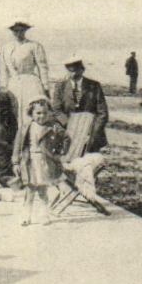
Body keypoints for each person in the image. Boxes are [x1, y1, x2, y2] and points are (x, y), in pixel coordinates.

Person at [52, 55, 111, 215]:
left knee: (88, 165)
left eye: (76, 69)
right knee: (65, 164)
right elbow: (56, 110)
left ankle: (87, 192)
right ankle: (73, 190)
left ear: (81, 69)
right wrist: (71, 127)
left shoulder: (94, 86)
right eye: (69, 70)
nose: (73, 73)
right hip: (68, 137)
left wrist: (91, 132)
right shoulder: (60, 86)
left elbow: (102, 113)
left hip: (91, 137)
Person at [12, 97, 65, 225]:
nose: (42, 116)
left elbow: (66, 139)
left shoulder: (53, 127)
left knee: (42, 190)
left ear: (50, 113)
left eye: (45, 113)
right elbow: (18, 146)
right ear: (31, 113)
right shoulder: (26, 127)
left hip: (44, 162)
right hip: (29, 161)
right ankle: (26, 215)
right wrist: (15, 162)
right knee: (30, 191)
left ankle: (44, 215)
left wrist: (59, 153)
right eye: (38, 113)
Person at [4, 20, 50, 134]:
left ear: (25, 31)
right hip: (14, 84)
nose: (18, 33)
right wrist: (3, 86)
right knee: (15, 112)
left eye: (21, 30)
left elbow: (42, 67)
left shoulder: (34, 46)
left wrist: (45, 86)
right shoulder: (6, 48)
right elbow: (3, 70)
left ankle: (32, 138)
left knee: (30, 112)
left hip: (31, 84)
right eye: (15, 31)